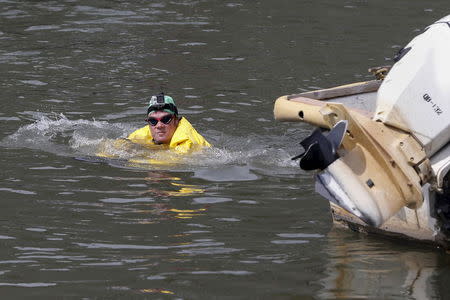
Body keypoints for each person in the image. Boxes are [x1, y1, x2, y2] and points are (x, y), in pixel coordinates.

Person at [126, 93, 211, 153]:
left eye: (166, 119)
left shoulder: (187, 142)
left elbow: (165, 165)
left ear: (176, 120)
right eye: (153, 121)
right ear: (148, 122)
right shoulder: (145, 132)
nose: (159, 125)